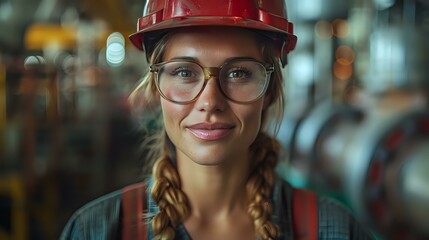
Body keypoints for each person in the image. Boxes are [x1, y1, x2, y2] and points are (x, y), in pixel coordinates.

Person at [61, 0, 375, 239]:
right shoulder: (97, 229)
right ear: (156, 89)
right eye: (184, 72)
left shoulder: (331, 229)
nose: (210, 102)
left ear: (270, 91)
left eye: (238, 73)